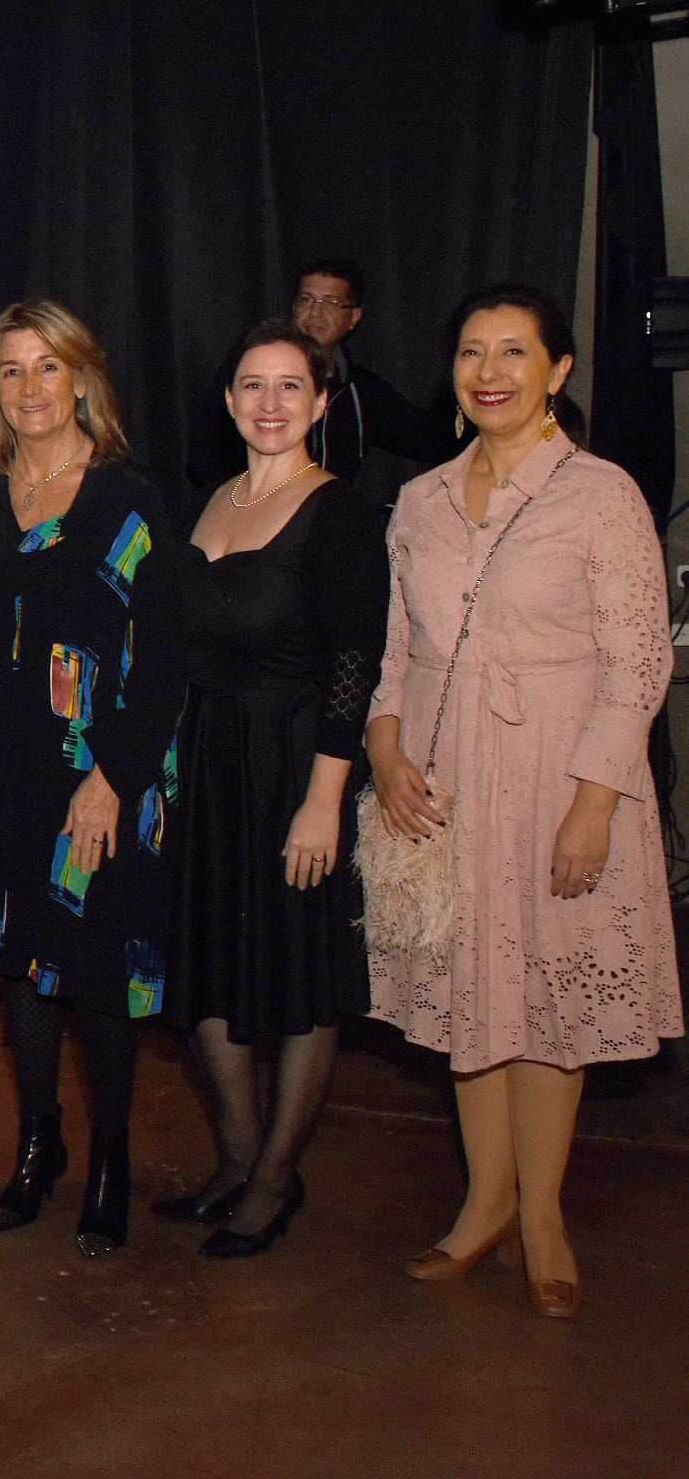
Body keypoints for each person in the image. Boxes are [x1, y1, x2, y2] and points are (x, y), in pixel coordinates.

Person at [367, 284, 682, 1319]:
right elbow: (396, 655)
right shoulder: (417, 501)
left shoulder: (600, 496)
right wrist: (383, 752)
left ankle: (541, 1216)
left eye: (513, 352)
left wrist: (595, 803)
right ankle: (482, 1206)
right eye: (470, 351)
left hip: (560, 779)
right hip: (446, 780)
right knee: (473, 994)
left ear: (557, 372)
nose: (488, 370)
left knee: (544, 1002)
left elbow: (637, 665)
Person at [0, 300, 186, 1258]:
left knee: (95, 979)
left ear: (83, 378)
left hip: (99, 777)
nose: (31, 388)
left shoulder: (129, 499)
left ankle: (111, 1164)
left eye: (49, 367)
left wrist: (111, 779)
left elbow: (164, 660)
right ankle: (37, 1149)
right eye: (11, 371)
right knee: (21, 972)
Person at [157, 322, 386, 1257]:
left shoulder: (339, 514)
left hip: (293, 766)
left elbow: (352, 667)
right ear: (228, 401)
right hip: (208, 764)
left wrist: (324, 800)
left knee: (296, 975)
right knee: (208, 966)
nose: (270, 404)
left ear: (323, 402)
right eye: (252, 386)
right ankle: (239, 1159)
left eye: (292, 388)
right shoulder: (210, 502)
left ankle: (277, 1179)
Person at [189, 258, 451, 509]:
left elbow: (432, 440)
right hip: (245, 517)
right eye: (307, 299)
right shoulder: (248, 372)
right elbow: (204, 456)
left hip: (321, 526)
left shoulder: (361, 391)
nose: (316, 312)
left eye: (331, 302)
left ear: (354, 318)